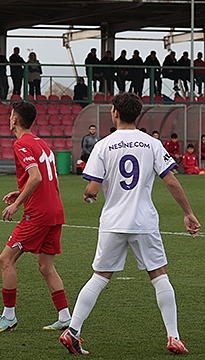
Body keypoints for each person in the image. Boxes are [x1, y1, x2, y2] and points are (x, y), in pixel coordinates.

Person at [59, 92, 200, 355]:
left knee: (99, 277)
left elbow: (92, 188)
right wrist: (188, 213)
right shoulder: (152, 144)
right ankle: (173, 337)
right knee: (159, 275)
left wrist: (89, 195)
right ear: (138, 114)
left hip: (113, 222)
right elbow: (170, 180)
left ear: (115, 113)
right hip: (143, 221)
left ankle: (73, 330)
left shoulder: (103, 145)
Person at [0, 101, 70, 333]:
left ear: (14, 120)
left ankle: (8, 316)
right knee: (46, 266)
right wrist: (22, 193)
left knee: (5, 259)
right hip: (55, 210)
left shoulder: (21, 143)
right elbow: (52, 180)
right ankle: (65, 317)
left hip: (39, 213)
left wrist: (17, 205)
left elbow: (36, 177)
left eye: (11, 115)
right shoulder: (43, 144)